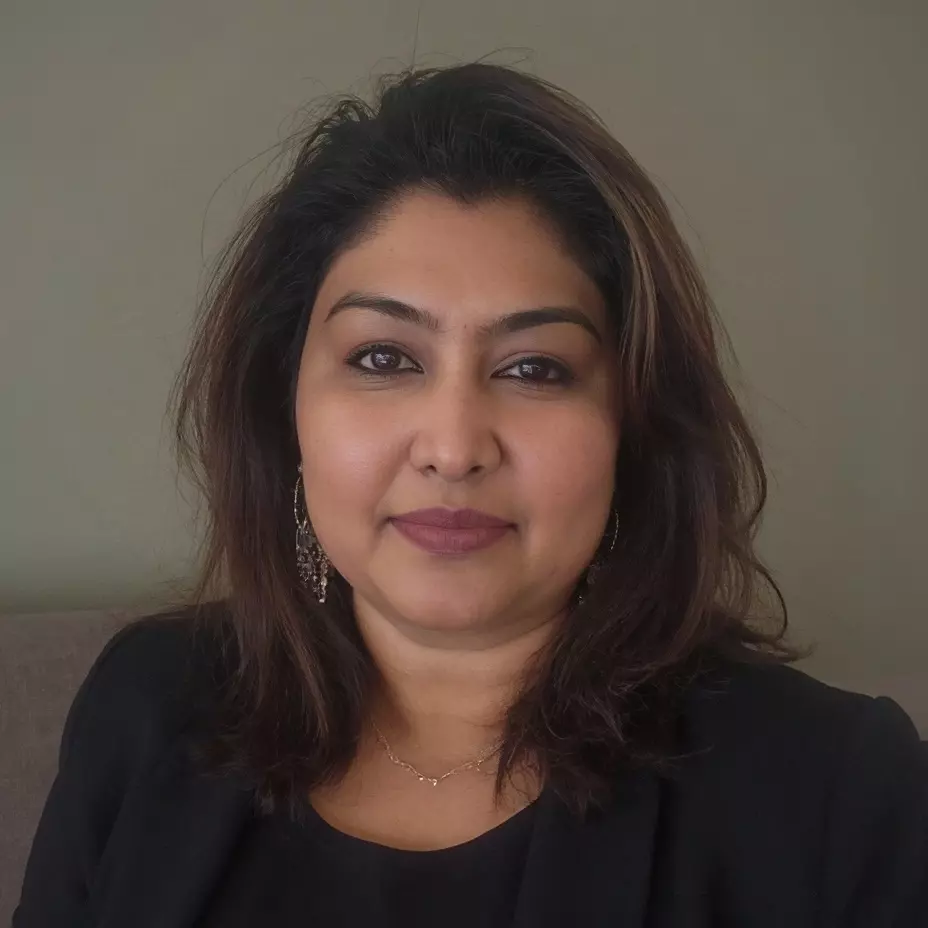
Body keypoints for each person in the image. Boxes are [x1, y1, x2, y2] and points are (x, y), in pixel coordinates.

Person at [14, 61, 926, 927]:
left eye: (534, 368)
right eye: (383, 357)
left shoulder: (845, 792)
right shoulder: (148, 705)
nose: (453, 449)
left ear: (633, 426)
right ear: (283, 407)